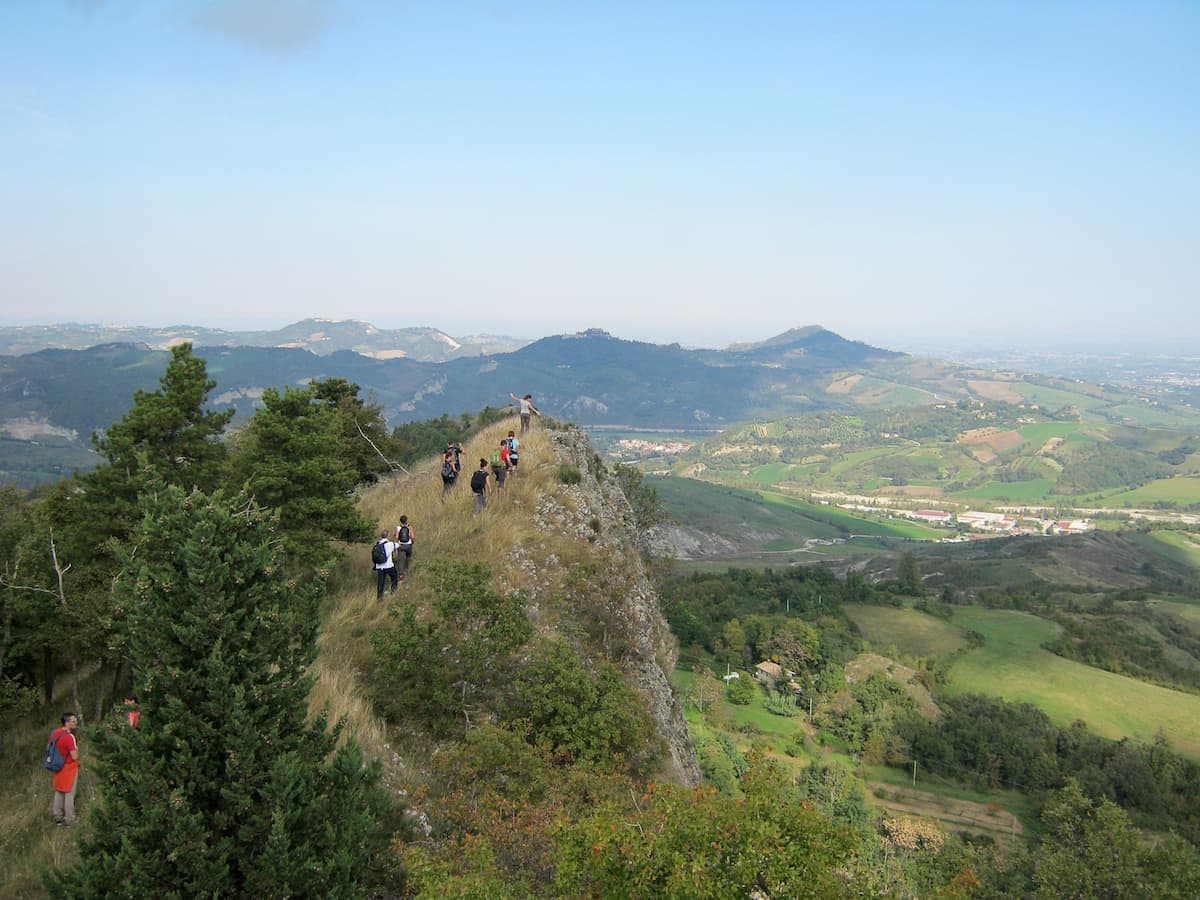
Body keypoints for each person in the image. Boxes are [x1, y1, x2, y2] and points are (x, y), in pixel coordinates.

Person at [49, 712, 80, 825]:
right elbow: (74, 756)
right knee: (69, 793)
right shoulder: (69, 737)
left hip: (58, 767)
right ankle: (70, 819)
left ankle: (57, 817)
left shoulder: (55, 733)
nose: (76, 723)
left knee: (59, 791)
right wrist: (77, 749)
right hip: (69, 768)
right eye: (73, 721)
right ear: (67, 723)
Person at [373, 531, 398, 599]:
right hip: (389, 566)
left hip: (379, 567)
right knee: (394, 576)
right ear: (388, 536)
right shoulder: (390, 544)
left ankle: (379, 597)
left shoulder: (377, 544)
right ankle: (393, 590)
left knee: (380, 582)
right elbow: (398, 545)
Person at [394, 515, 415, 580]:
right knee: (409, 558)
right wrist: (412, 542)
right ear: (406, 520)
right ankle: (410, 571)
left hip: (401, 546)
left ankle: (401, 575)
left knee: (401, 561)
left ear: (400, 521)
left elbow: (397, 537)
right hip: (408, 545)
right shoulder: (410, 527)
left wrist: (397, 544)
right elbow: (413, 537)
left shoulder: (397, 527)